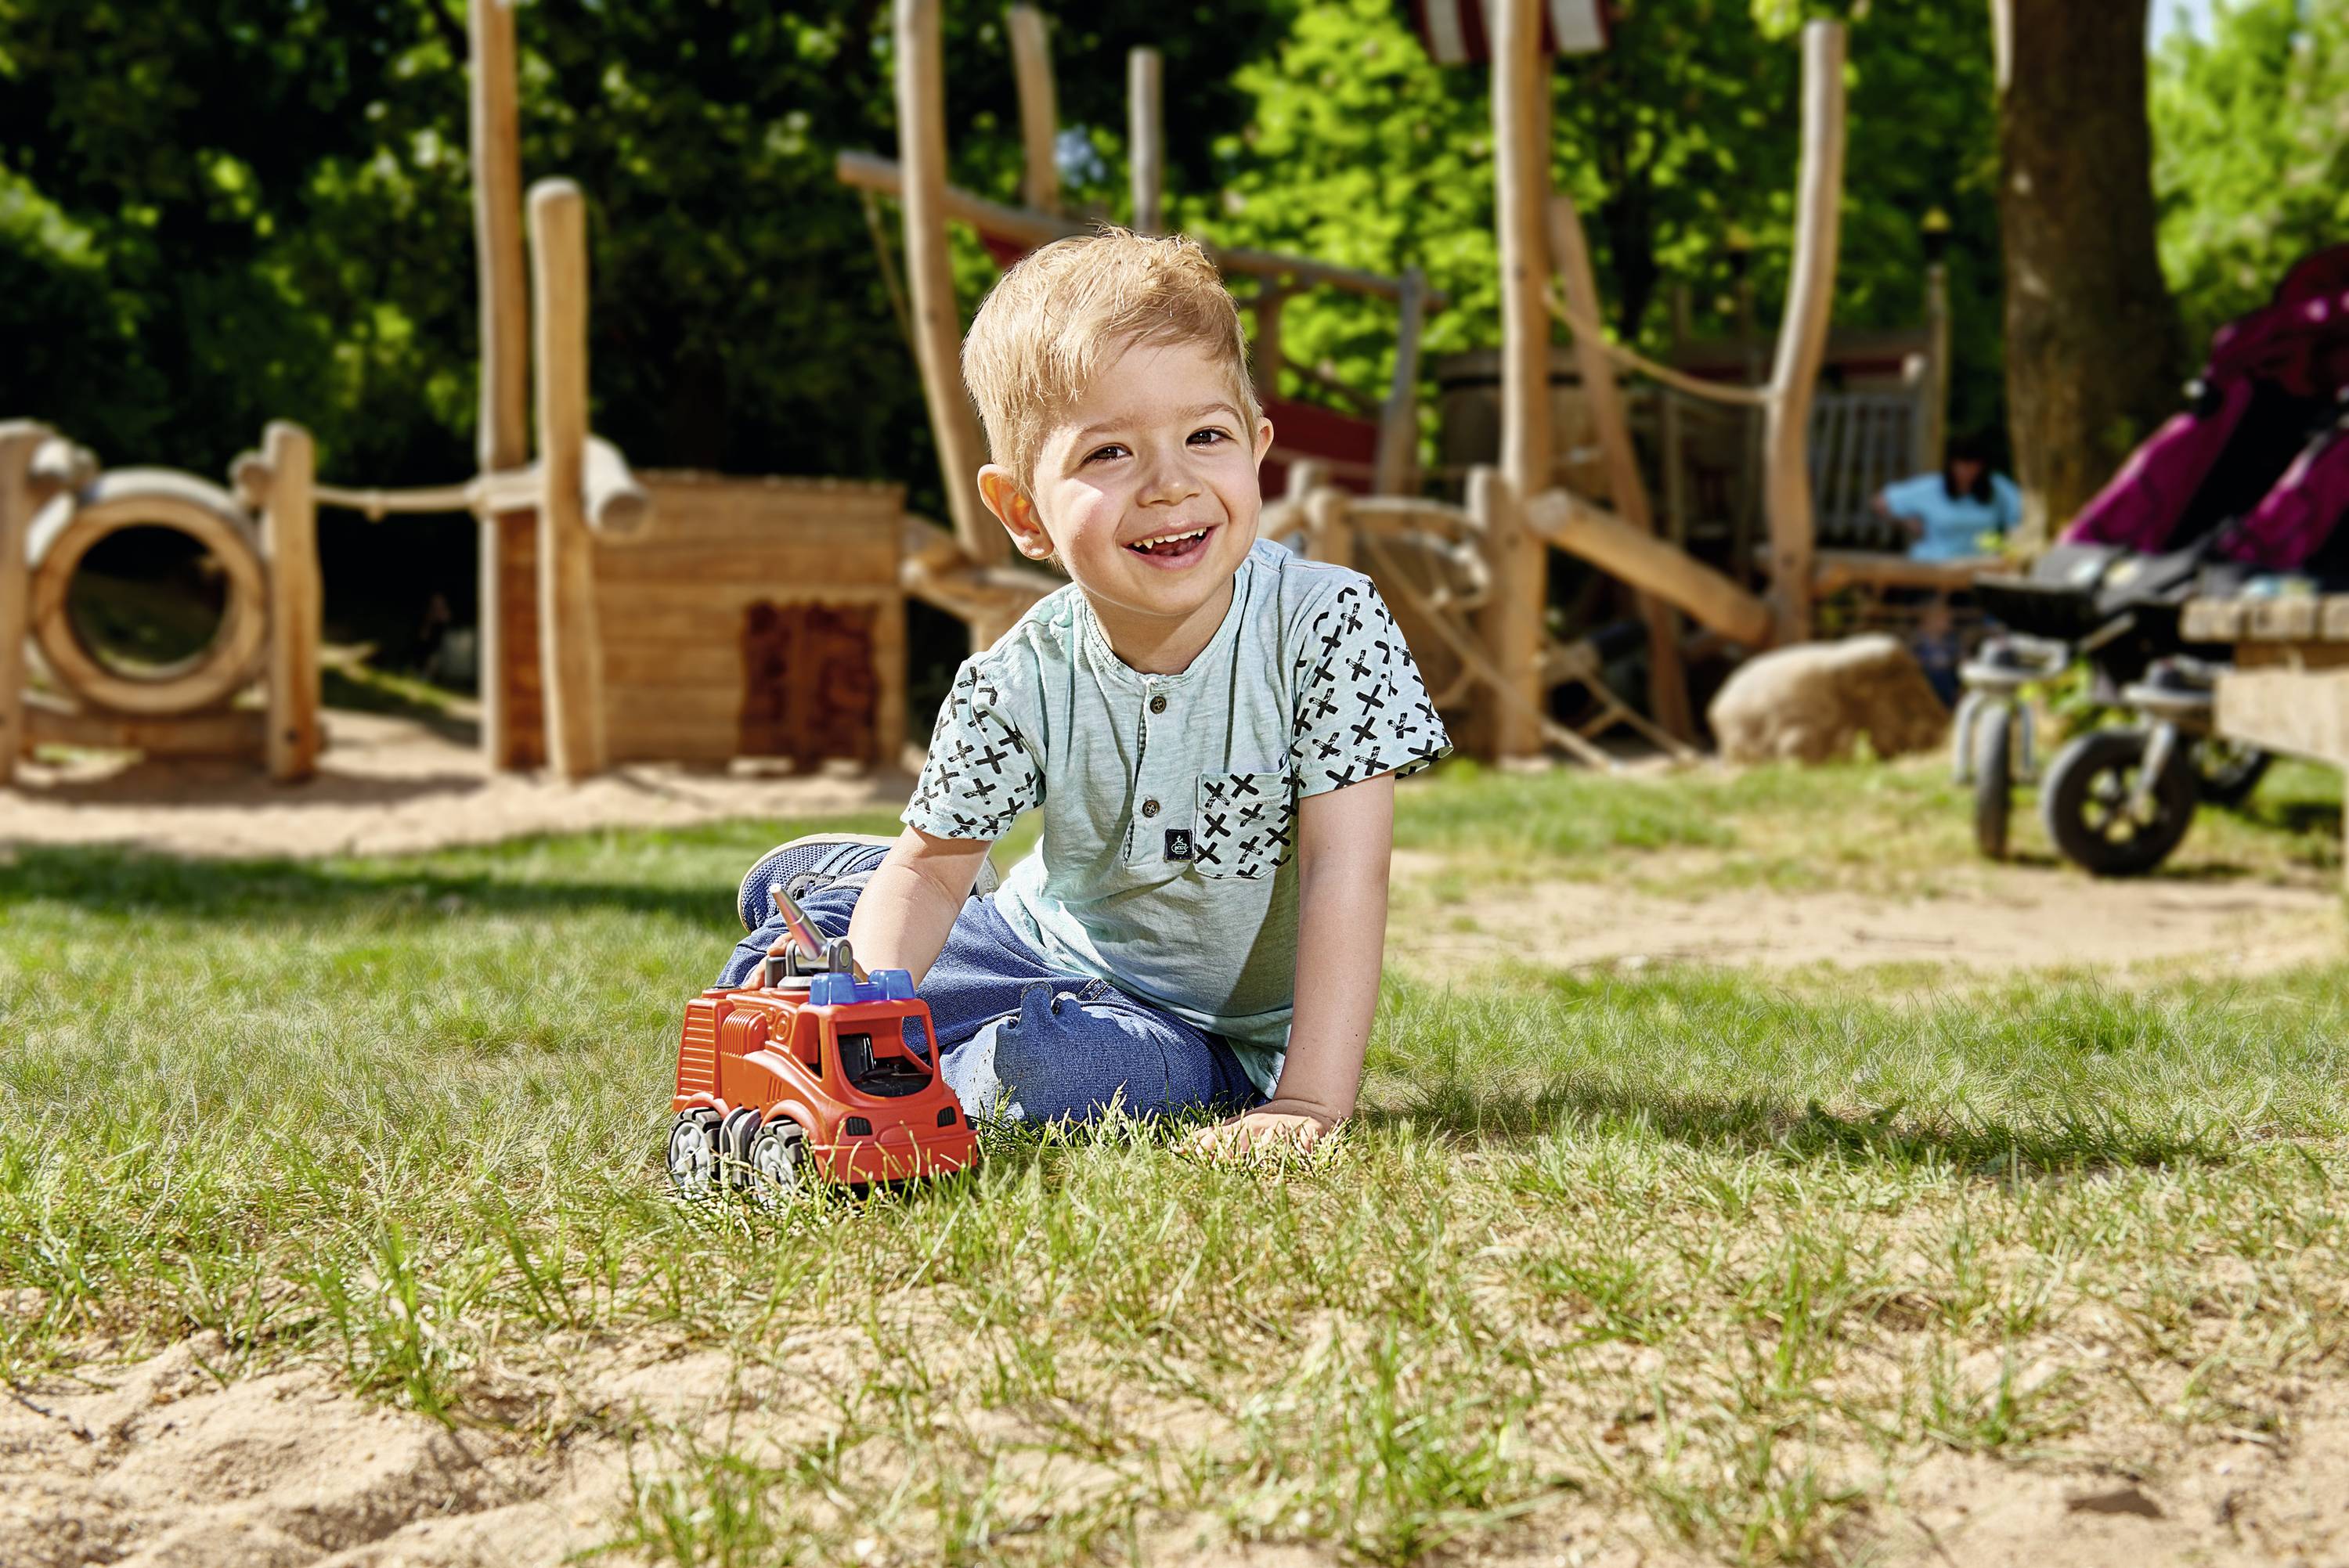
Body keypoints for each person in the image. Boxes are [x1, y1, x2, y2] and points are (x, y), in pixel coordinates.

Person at [720, 229, 1449, 1156]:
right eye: (1109, 453)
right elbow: (933, 869)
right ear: (1024, 511)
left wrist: (1308, 1101)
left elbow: (1348, 869)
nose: (1171, 483)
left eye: (1206, 436)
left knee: (1048, 1078)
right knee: (786, 990)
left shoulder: (1327, 625)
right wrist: (853, 1017)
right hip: (1028, 946)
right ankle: (846, 906)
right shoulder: (1017, 674)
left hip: (1200, 1031)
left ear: (1258, 448)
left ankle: (909, 1001)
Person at [1871, 434, 2022, 562]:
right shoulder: (1931, 487)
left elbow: (2021, 515)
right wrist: (1908, 522)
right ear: (1952, 464)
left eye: (1973, 465)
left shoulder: (1998, 487)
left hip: (1981, 565)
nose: (1967, 471)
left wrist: (2011, 544)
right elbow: (1880, 501)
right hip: (1933, 566)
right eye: (1962, 464)